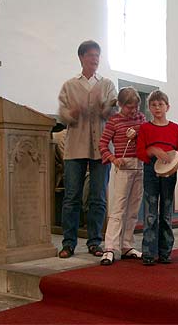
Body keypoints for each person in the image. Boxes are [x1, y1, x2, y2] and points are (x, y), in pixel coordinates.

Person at [57, 40, 117, 258]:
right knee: (71, 197)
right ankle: (68, 243)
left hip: (102, 149)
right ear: (81, 57)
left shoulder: (108, 84)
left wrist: (106, 107)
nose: (95, 59)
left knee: (98, 197)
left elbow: (113, 113)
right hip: (75, 148)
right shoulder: (70, 85)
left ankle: (94, 241)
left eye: (97, 56)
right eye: (91, 55)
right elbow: (62, 116)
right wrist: (72, 111)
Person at [136, 90, 178, 266]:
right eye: (154, 105)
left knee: (166, 212)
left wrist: (172, 157)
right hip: (151, 170)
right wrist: (153, 151)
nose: (157, 108)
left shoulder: (175, 128)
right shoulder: (145, 128)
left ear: (167, 107)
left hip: (170, 172)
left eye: (161, 104)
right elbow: (140, 152)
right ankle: (148, 252)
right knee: (150, 214)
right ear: (149, 107)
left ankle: (165, 252)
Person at [98, 87, 146, 265]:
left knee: (133, 209)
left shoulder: (141, 119)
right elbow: (102, 144)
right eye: (129, 108)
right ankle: (110, 247)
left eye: (135, 107)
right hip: (122, 166)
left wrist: (139, 133)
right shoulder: (114, 121)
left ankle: (127, 245)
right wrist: (113, 159)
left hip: (139, 165)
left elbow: (147, 136)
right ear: (120, 105)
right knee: (118, 209)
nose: (133, 111)